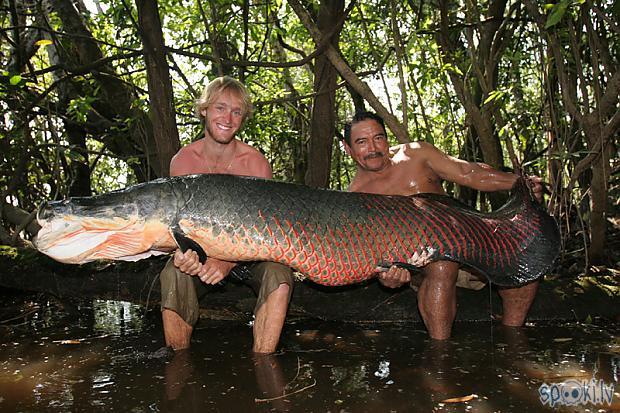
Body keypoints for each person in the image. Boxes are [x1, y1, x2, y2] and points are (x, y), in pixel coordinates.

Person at [343, 111, 543, 340]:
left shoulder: (416, 155)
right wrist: (385, 277)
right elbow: (373, 253)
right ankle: (440, 356)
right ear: (348, 149)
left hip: (467, 241)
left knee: (524, 259)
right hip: (422, 263)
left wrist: (518, 183)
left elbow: (468, 172)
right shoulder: (355, 199)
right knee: (442, 264)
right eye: (362, 142)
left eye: (378, 138)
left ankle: (514, 339)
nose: (373, 148)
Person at [160, 76, 294, 354]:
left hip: (249, 258)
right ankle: (177, 363)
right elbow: (179, 228)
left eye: (237, 112)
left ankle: (264, 363)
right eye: (221, 108)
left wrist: (227, 263)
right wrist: (186, 254)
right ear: (205, 110)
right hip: (202, 257)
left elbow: (265, 233)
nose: (228, 118)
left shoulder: (255, 163)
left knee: (279, 275)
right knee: (174, 273)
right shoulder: (183, 161)